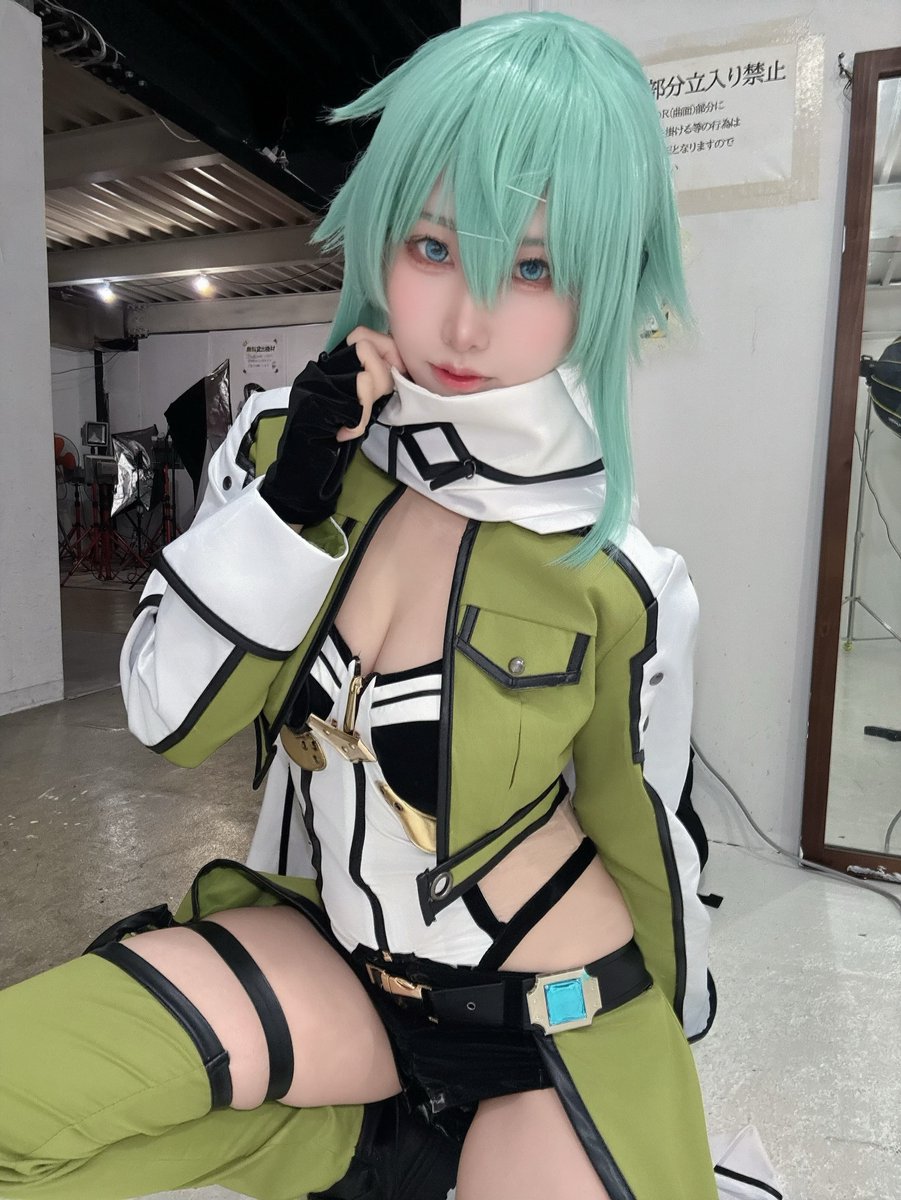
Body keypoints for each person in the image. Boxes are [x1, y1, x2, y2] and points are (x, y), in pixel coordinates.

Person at [0, 12, 721, 1200]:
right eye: (434, 247)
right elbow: (169, 719)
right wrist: (289, 507)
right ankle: (385, 1154)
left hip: (554, 1023)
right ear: (381, 232)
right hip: (337, 974)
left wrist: (675, 1056)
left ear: (606, 281)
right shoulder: (280, 452)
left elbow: (647, 831)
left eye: (533, 269)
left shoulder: (619, 577)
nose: (467, 322)